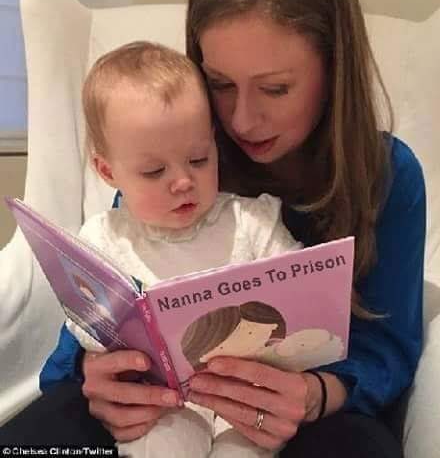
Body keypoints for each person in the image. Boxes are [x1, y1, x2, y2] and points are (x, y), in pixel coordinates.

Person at [0, 0, 426, 457]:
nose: (241, 120)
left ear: (333, 70)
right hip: (163, 411)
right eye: (220, 84)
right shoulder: (179, 149)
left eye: (275, 88)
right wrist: (94, 375)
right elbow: (104, 309)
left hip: (310, 412)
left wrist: (316, 395)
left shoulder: (385, 174)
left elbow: (390, 345)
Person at [66, 39, 307, 457]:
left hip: (248, 398)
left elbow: (302, 290)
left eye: (199, 160)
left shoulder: (252, 222)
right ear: (107, 170)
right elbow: (82, 323)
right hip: (162, 404)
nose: (182, 181)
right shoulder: (103, 240)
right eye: (154, 171)